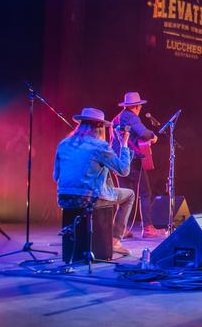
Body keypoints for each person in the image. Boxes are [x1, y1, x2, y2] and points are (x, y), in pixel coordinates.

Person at [53, 107, 135, 256]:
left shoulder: (63, 144)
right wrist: (124, 144)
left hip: (64, 199)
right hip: (88, 199)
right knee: (129, 195)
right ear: (99, 126)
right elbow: (123, 170)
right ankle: (115, 240)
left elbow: (55, 176)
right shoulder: (99, 146)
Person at [111, 92, 160, 238]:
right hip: (131, 160)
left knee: (124, 195)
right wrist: (153, 136)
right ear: (137, 106)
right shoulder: (131, 117)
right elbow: (144, 133)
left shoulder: (116, 118)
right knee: (144, 193)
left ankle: (121, 229)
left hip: (117, 161)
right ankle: (148, 228)